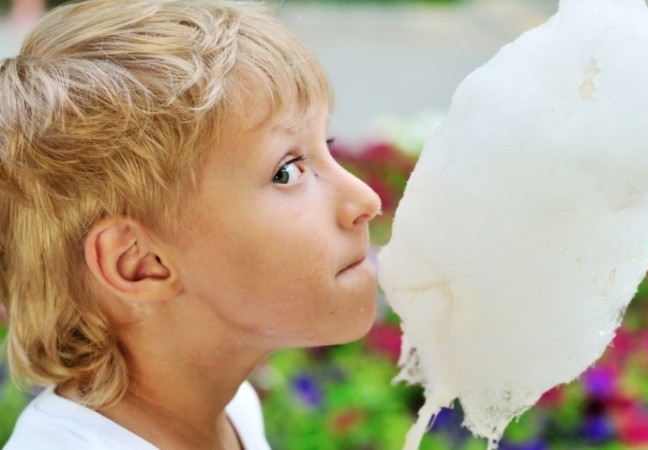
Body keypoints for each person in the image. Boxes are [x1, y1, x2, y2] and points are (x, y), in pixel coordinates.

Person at [0, 0, 382, 448]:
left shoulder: (232, 409)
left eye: (328, 145)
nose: (367, 201)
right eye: (287, 171)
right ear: (140, 262)